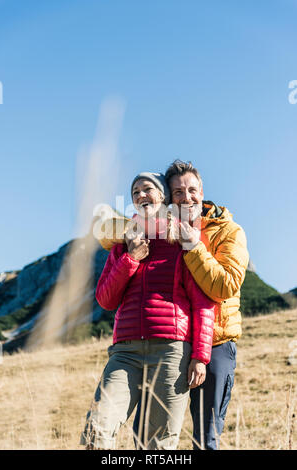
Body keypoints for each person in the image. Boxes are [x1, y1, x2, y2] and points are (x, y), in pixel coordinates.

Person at [98, 161, 249, 450]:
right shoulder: (157, 230)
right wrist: (127, 234)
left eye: (192, 190)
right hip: (169, 343)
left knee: (204, 437)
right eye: (178, 191)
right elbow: (106, 230)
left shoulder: (224, 230)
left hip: (213, 342)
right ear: (169, 196)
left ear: (202, 192)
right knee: (149, 436)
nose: (186, 196)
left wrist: (193, 247)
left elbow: (222, 288)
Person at [80, 171, 216, 450]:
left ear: (163, 196)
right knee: (97, 429)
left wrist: (200, 356)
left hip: (171, 352)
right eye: (135, 192)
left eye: (147, 189)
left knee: (156, 445)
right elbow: (105, 299)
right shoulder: (123, 244)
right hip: (125, 352)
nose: (141, 195)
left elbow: (203, 302)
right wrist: (130, 259)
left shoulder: (182, 240)